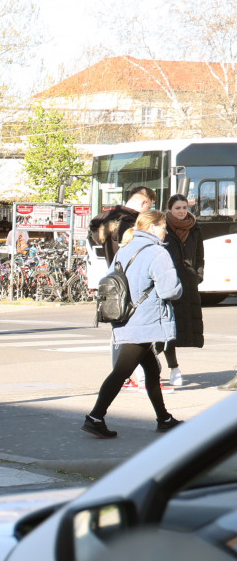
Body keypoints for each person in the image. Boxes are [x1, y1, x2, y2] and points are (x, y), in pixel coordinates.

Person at [82, 210, 182, 439]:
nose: (166, 230)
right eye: (164, 226)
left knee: (152, 369)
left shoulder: (124, 250)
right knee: (122, 371)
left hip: (126, 316)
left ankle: (164, 418)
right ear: (153, 227)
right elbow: (169, 290)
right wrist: (180, 287)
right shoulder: (158, 252)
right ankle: (95, 417)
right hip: (145, 320)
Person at [160, 193, 205, 387]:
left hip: (188, 284)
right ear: (170, 209)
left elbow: (200, 255)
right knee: (167, 329)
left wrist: (197, 275)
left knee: (181, 328)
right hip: (169, 284)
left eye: (184, 208)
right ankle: (173, 368)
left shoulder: (194, 227)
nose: (181, 212)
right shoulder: (163, 228)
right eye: (177, 208)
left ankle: (173, 369)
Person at [90, 186, 156, 265]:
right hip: (127, 273)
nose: (147, 211)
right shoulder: (128, 222)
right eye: (149, 207)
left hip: (113, 272)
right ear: (143, 203)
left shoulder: (105, 218)